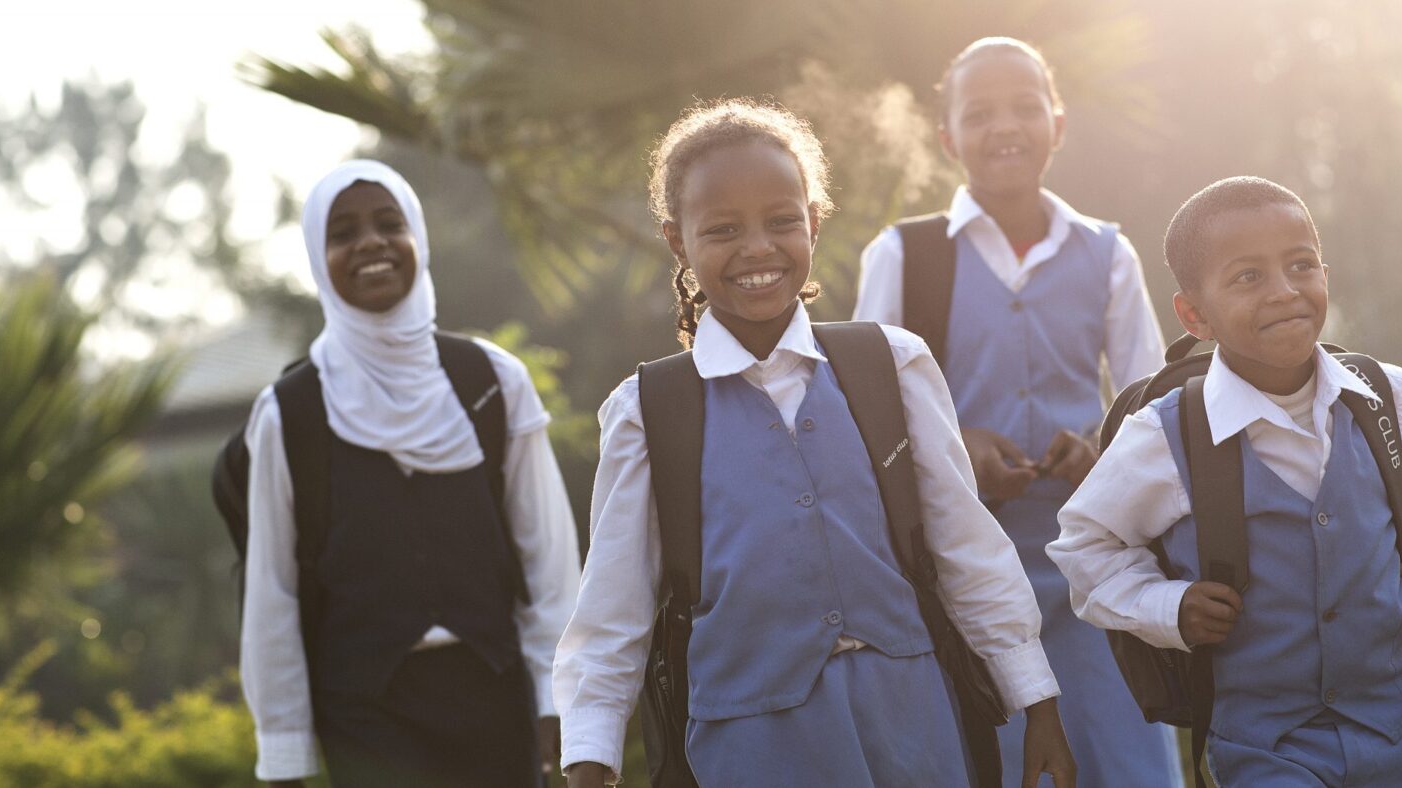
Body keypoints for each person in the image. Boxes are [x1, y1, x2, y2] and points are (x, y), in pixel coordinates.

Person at [555, 98, 1076, 788]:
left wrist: (1036, 702)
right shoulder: (648, 412)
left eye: (781, 221)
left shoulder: (891, 366)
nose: (758, 249)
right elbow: (612, 613)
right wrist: (591, 762)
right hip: (749, 748)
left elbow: (966, 548)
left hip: (915, 725)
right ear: (677, 242)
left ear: (814, 220)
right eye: (722, 229)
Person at [1049, 176, 1402, 786]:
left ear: (1325, 275)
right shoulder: (1163, 436)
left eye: (1300, 265)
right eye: (1247, 277)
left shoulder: (1388, 399)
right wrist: (1167, 605)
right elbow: (1084, 546)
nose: (1285, 292)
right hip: (1263, 750)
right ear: (1194, 315)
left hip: (1398, 735)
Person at [853, 36, 1179, 787]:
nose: (1005, 126)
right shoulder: (904, 256)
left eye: (1025, 107)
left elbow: (1154, 411)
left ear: (1057, 123)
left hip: (1098, 582)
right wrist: (954, 448)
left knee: (1131, 765)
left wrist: (1102, 452)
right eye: (980, 112)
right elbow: (866, 424)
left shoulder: (1108, 253)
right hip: (964, 587)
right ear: (948, 138)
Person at [239, 160, 581, 787]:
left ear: (418, 240)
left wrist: (557, 698)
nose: (369, 242)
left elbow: (549, 561)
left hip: (493, 696)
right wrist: (284, 749)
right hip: (362, 713)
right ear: (318, 258)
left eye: (388, 223)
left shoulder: (492, 382)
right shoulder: (288, 412)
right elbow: (273, 592)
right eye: (342, 233)